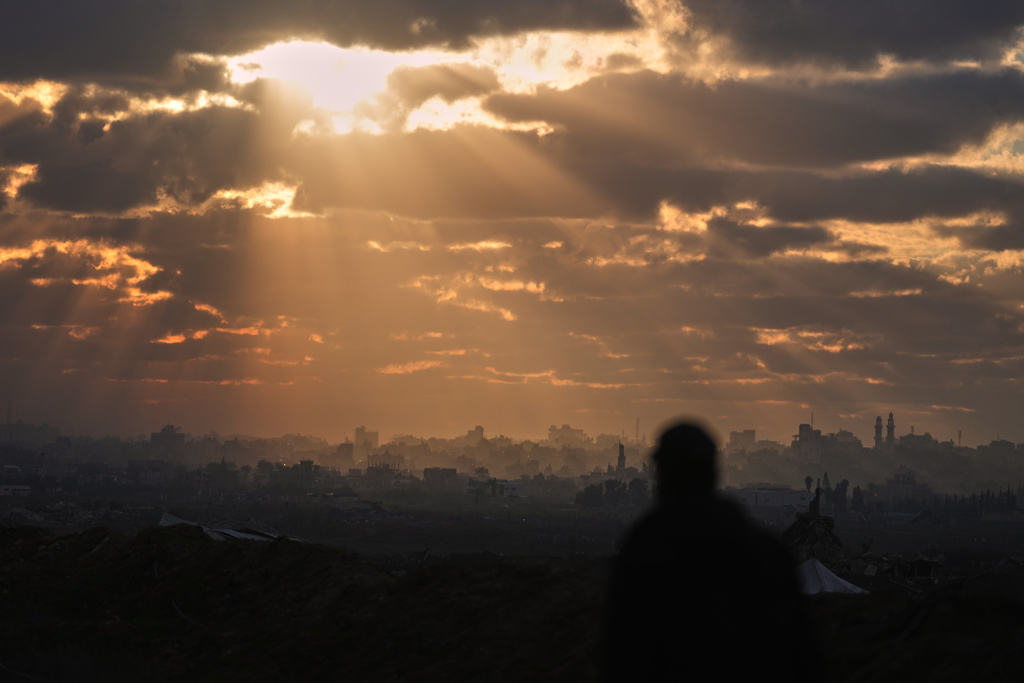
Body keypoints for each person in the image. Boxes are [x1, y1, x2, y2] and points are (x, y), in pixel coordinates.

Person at [606, 421, 819, 680]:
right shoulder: (765, 551)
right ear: (713, 472)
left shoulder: (644, 554)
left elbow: (626, 654)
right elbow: (802, 654)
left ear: (663, 475)